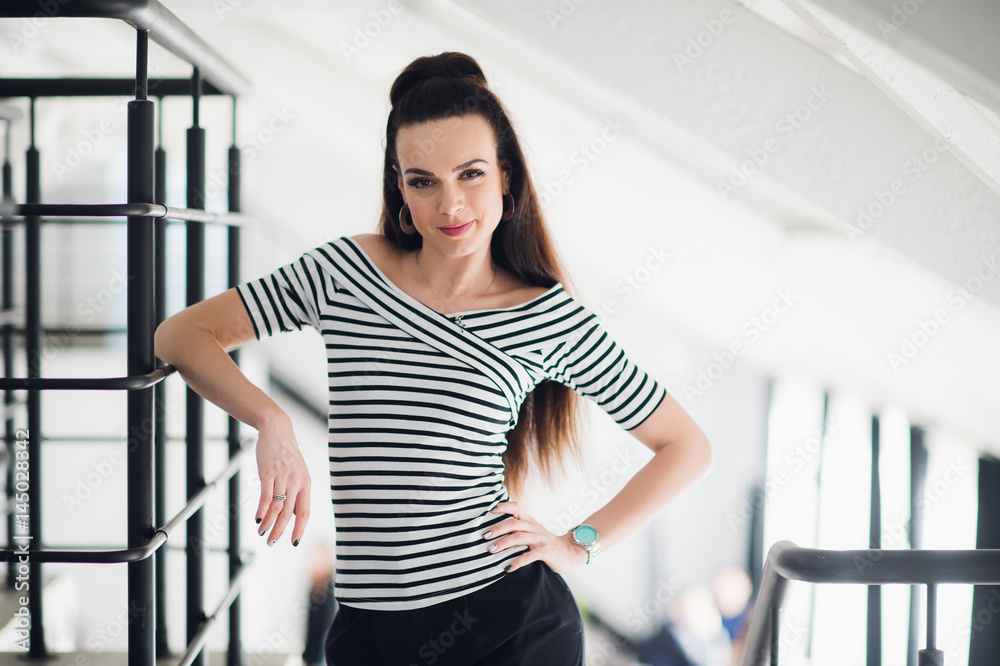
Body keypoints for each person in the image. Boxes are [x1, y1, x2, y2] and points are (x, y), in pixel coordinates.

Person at [154, 51, 713, 666]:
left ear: (506, 176)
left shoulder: (548, 316)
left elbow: (686, 447)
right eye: (423, 181)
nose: (451, 206)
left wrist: (579, 545)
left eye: (470, 174)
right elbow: (182, 335)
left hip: (510, 627)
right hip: (367, 629)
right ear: (400, 187)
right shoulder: (346, 272)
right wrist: (271, 421)